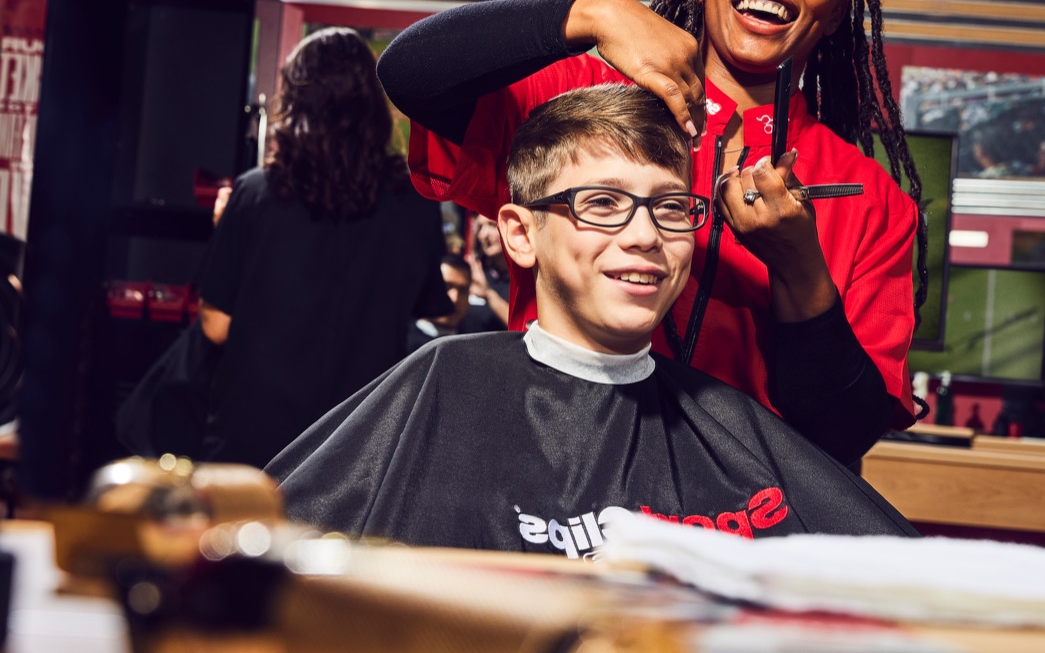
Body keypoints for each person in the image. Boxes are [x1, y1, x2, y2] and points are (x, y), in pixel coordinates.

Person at [376, 0, 925, 464]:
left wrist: (800, 271)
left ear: (837, 11)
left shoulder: (873, 201)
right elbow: (411, 73)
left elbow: (844, 437)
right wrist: (591, 12)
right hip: (552, 473)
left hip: (744, 511)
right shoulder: (581, 99)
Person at [267, 85, 918, 553]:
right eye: (602, 203)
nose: (644, 235)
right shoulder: (440, 385)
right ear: (520, 234)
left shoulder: (734, 430)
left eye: (671, 208)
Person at [197, 27, 452, 469]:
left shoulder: (255, 194)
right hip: (362, 442)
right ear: (373, 104)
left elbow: (216, 327)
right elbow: (429, 309)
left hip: (254, 441)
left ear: (295, 102)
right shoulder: (414, 201)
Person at [407, 253, 476, 352]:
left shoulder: (475, 344)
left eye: (463, 290)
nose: (455, 299)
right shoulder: (401, 344)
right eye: (446, 287)